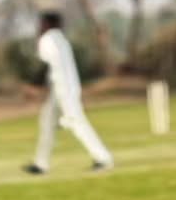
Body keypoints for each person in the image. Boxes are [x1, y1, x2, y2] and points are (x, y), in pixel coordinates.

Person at [25, 10, 113, 175]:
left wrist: (33, 85)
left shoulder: (47, 39)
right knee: (47, 123)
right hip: (64, 89)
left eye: (41, 23)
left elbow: (45, 65)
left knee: (76, 123)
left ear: (47, 24)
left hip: (63, 91)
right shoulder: (61, 40)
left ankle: (103, 158)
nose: (39, 27)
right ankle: (40, 164)